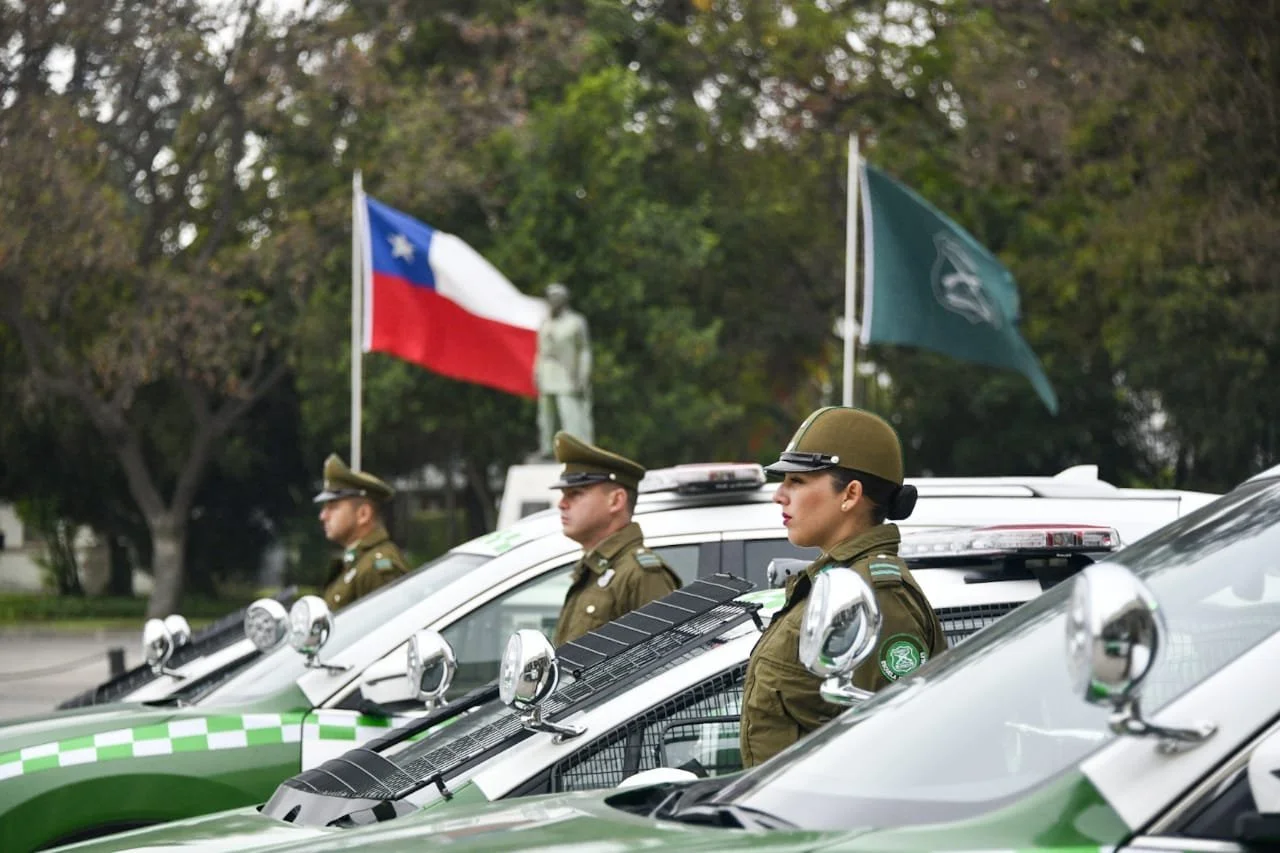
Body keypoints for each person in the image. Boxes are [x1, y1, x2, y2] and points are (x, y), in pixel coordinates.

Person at [739, 406, 947, 767]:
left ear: (850, 495)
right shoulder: (840, 580)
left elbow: (892, 756)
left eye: (797, 481)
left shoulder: (875, 595)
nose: (779, 495)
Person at [549, 431, 681, 646]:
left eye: (575, 494)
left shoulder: (641, 574)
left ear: (616, 500)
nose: (562, 503)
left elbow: (665, 664)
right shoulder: (595, 570)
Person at [313, 454, 409, 611]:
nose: (323, 516)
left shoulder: (379, 568)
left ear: (363, 514)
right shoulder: (359, 562)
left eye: (333, 506)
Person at [533, 283, 593, 459]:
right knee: (546, 417)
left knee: (570, 414)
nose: (551, 301)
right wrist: (536, 370)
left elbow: (584, 350)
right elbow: (541, 351)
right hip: (547, 373)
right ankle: (547, 449)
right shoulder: (545, 323)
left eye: (555, 297)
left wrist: (583, 373)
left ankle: (576, 448)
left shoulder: (575, 322)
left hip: (567, 375)